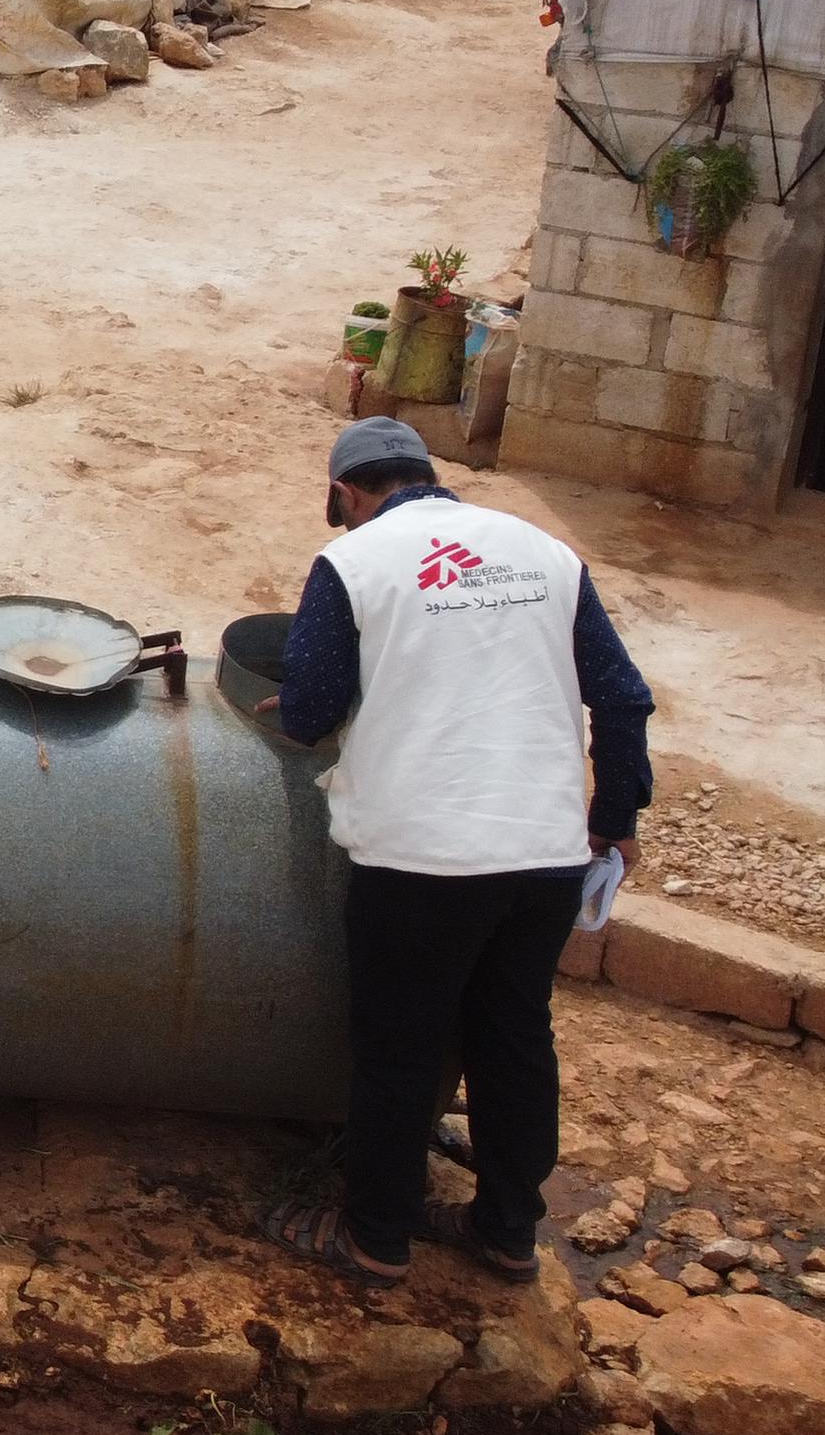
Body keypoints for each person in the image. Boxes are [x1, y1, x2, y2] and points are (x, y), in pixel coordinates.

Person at [261, 418, 652, 1288]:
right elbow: (623, 698)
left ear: (347, 494)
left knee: (400, 1046)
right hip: (543, 851)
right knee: (514, 1037)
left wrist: (322, 702)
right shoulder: (544, 552)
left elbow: (307, 709)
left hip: (422, 857)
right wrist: (614, 814)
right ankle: (508, 1231)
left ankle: (376, 1239)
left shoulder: (354, 563)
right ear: (428, 476)